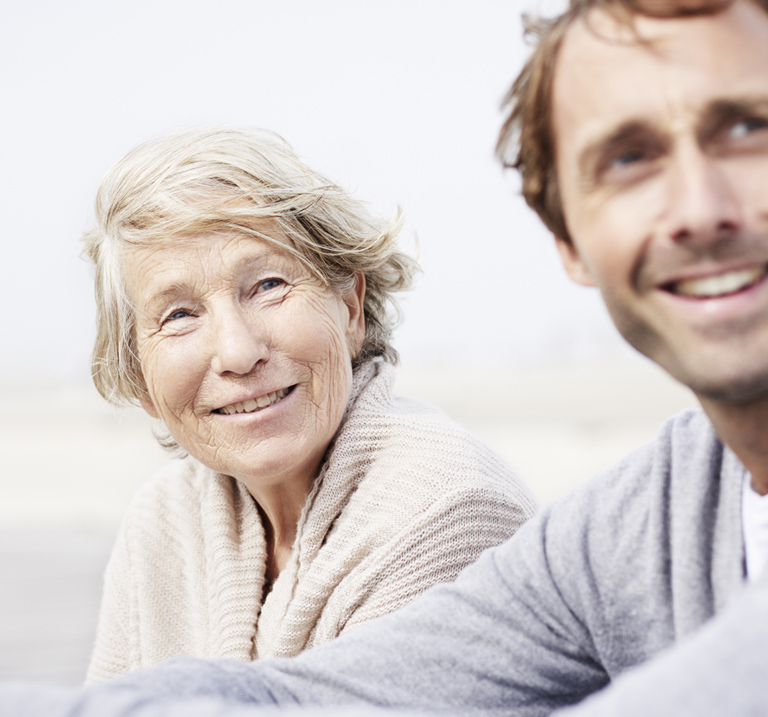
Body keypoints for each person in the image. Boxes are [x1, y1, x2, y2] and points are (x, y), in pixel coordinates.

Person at [3, 0, 768, 714]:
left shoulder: (448, 500)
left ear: (350, 302)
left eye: (748, 127)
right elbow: (308, 698)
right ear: (568, 239)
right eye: (629, 160)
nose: (699, 211)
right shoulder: (636, 523)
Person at [79, 127, 537, 682]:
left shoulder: (447, 511)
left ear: (349, 307)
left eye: (268, 285)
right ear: (142, 379)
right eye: (179, 315)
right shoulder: (164, 520)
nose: (238, 352)